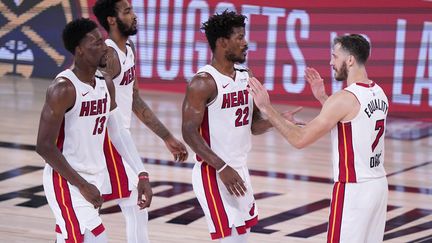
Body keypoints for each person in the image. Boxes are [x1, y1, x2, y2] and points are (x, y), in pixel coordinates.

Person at [248, 34, 389, 243]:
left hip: (353, 189)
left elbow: (300, 139)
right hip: (378, 186)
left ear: (349, 60)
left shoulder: (344, 99)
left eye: (334, 56)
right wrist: (324, 99)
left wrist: (266, 108)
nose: (331, 62)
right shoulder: (378, 92)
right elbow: (352, 121)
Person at [181, 10, 301, 243]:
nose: (246, 43)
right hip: (213, 172)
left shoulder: (247, 75)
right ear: (222, 42)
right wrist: (222, 167)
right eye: (239, 37)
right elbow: (188, 132)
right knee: (228, 239)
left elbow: (253, 126)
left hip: (238, 169)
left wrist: (278, 121)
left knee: (241, 237)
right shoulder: (203, 82)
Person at [36, 18, 152, 243]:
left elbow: (119, 134)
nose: (104, 47)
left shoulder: (105, 84)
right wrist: (81, 185)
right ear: (79, 50)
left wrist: (142, 174)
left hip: (93, 179)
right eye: (96, 43)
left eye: (103, 41)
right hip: (67, 182)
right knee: (97, 238)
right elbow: (44, 146)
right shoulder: (63, 89)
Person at [92, 1, 188, 242]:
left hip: (116, 138)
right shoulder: (109, 56)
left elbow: (134, 100)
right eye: (127, 12)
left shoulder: (129, 48)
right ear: (111, 20)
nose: (134, 16)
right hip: (103, 140)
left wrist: (166, 136)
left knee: (129, 205)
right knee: (124, 204)